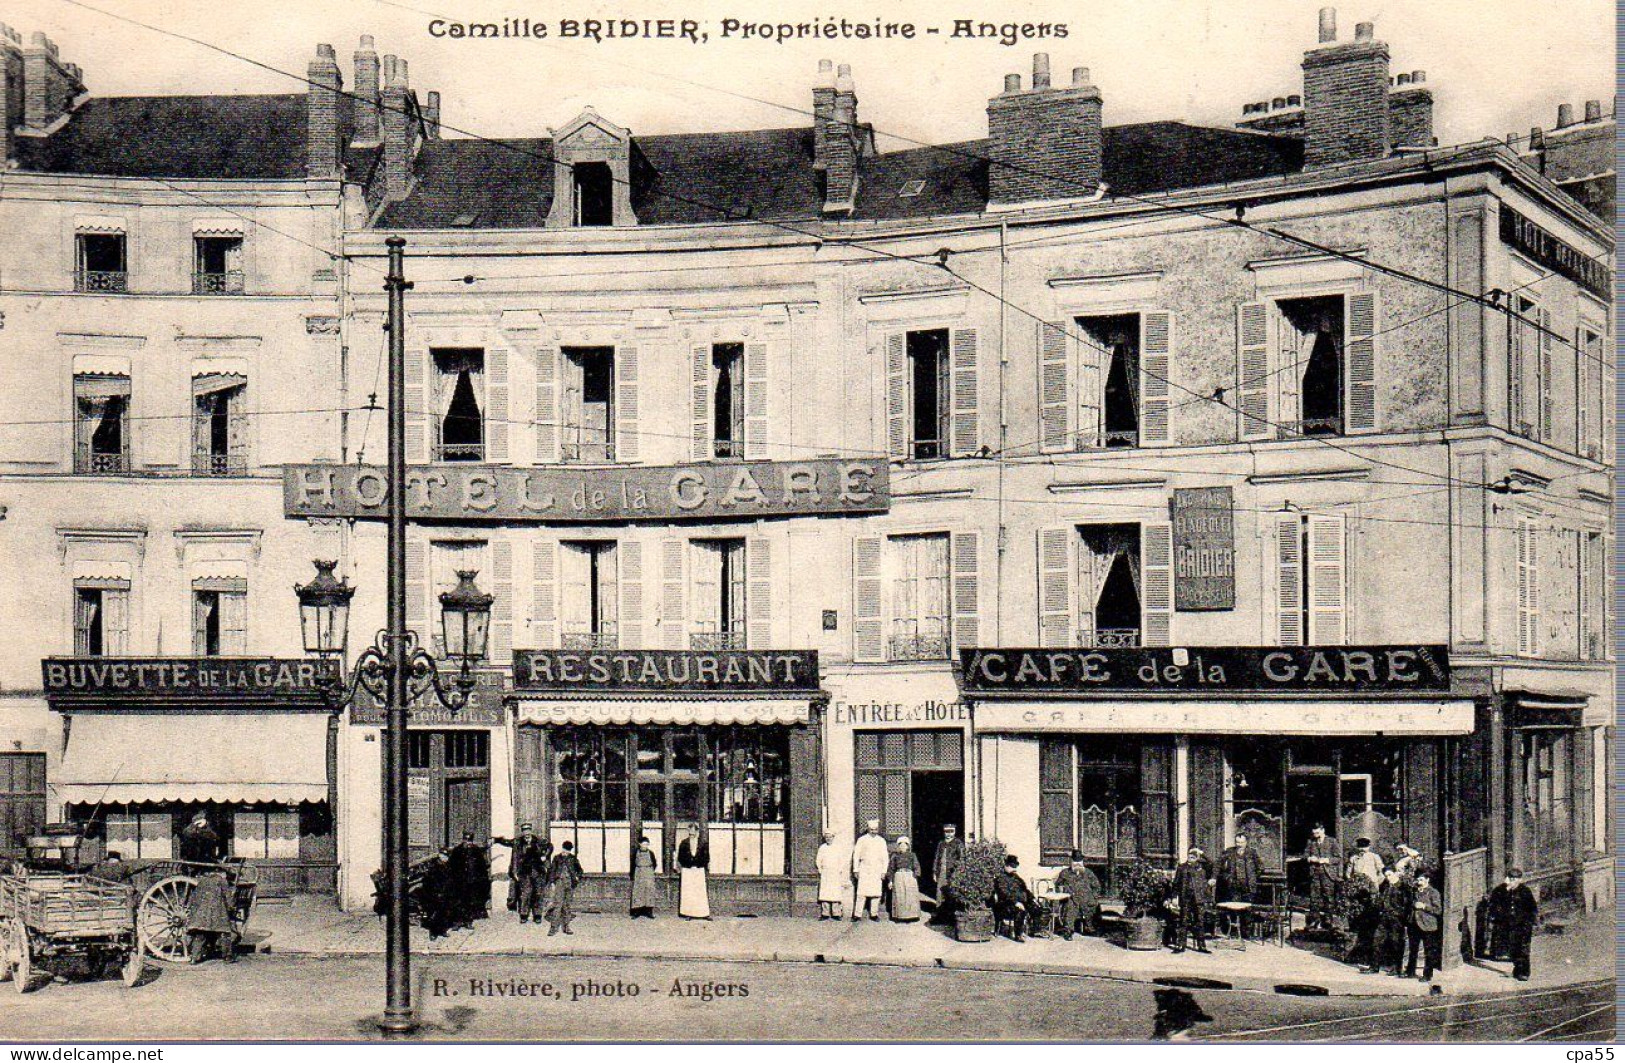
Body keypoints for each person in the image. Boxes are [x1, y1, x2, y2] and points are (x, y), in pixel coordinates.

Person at [492, 823, 552, 924]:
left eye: (528, 833)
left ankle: (537, 915)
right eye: (525, 833)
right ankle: (524, 915)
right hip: (524, 872)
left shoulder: (539, 841)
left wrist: (545, 855)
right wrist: (497, 840)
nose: (527, 835)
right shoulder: (517, 842)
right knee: (525, 894)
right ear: (522, 833)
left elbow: (550, 846)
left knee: (538, 893)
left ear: (531, 832)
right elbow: (506, 842)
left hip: (538, 871)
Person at [1487, 867, 1539, 981]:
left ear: (1520, 880)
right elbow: (1494, 904)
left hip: (1523, 926)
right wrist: (1506, 890)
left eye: (1515, 879)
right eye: (1510, 878)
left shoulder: (1525, 891)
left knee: (1524, 949)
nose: (1512, 881)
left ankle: (1524, 972)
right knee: (1513, 949)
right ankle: (1517, 969)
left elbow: (1532, 908)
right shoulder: (1501, 890)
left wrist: (1530, 922)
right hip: (1508, 926)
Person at [185, 866, 238, 964]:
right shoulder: (222, 881)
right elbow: (228, 897)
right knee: (225, 934)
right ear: (220, 872)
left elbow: (194, 897)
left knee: (200, 935)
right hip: (217, 913)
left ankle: (194, 958)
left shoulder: (202, 881)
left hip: (201, 914)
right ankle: (227, 956)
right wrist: (232, 908)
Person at [1170, 847, 1215, 954]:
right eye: (1190, 856)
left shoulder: (1202, 867)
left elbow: (1212, 864)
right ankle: (1181, 945)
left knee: (1199, 922)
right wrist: (1174, 897)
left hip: (1198, 898)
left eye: (1194, 856)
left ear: (1197, 858)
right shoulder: (1182, 868)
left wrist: (1202, 853)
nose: (1191, 858)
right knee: (1183, 921)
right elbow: (1176, 884)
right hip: (1185, 898)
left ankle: (1201, 946)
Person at [1404, 870, 1444, 982]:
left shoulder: (1433, 892)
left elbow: (1438, 910)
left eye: (1421, 879)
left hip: (1428, 925)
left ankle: (1427, 974)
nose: (1419, 882)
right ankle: (1410, 971)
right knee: (1413, 950)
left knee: (1429, 951)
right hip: (1414, 924)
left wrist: (1424, 906)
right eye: (1417, 880)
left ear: (1427, 880)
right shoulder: (1414, 891)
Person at [1054, 850, 1101, 939]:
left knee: (1092, 905)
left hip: (1086, 897)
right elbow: (1058, 885)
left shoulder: (1088, 873)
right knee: (1070, 906)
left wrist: (1094, 896)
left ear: (1082, 862)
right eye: (1075, 861)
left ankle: (1089, 928)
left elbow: (1097, 886)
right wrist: (1065, 891)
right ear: (1071, 861)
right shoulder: (1065, 873)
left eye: (1079, 861)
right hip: (1071, 897)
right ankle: (1068, 930)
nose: (1077, 864)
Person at [448, 832, 492, 927]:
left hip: (472, 881)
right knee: (458, 902)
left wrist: (482, 879)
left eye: (470, 841)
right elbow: (451, 866)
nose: (468, 843)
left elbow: (482, 866)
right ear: (463, 840)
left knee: (469, 902)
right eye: (466, 840)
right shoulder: (457, 851)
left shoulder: (476, 851)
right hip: (459, 881)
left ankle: (468, 921)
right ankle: (457, 922)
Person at [1304, 825, 1343, 932]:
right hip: (1314, 874)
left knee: (1328, 898)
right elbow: (1305, 855)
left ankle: (1328, 921)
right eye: (1313, 833)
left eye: (1317, 833)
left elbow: (1338, 858)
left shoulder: (1332, 841)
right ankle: (1314, 921)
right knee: (1314, 898)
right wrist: (1309, 858)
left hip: (1327, 874)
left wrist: (1326, 860)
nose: (1315, 835)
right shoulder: (1311, 842)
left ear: (1322, 830)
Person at [992, 854, 1037, 942]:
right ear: (1006, 866)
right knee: (1019, 910)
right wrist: (1015, 902)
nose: (1014, 869)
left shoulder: (1016, 877)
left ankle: (1033, 930)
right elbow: (1004, 894)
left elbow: (1024, 889)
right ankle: (1018, 935)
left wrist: (1032, 898)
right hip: (1004, 905)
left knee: (1036, 907)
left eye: (1015, 866)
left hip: (1018, 902)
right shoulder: (1000, 878)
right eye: (1012, 867)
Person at [851, 819, 889, 922]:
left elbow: (885, 857)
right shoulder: (862, 840)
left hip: (877, 869)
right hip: (864, 868)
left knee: (876, 893)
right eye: (871, 829)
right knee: (861, 893)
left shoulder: (881, 841)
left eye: (875, 829)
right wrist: (856, 869)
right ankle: (857, 914)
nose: (873, 831)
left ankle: (874, 914)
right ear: (868, 829)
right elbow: (856, 855)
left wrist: (883, 871)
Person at [545, 841, 584, 936]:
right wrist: (552, 883)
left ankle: (566, 927)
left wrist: (577, 877)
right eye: (564, 850)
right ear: (562, 848)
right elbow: (552, 871)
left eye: (567, 851)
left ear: (570, 851)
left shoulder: (573, 859)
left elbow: (580, 870)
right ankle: (553, 928)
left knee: (567, 906)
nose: (565, 852)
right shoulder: (557, 858)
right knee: (557, 906)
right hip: (559, 883)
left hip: (569, 883)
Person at [417, 850, 459, 939]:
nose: (446, 858)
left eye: (447, 856)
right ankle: (433, 933)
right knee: (434, 914)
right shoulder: (434, 867)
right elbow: (428, 882)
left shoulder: (448, 867)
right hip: (435, 894)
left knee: (444, 913)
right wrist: (434, 892)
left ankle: (442, 931)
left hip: (445, 893)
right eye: (444, 856)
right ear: (440, 856)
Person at [930, 823, 965, 924]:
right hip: (941, 871)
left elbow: (962, 858)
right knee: (940, 893)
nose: (948, 834)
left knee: (951, 893)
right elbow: (937, 858)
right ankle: (940, 915)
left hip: (953, 873)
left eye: (951, 832)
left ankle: (951, 916)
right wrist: (934, 872)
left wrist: (959, 872)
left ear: (954, 832)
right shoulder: (941, 843)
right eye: (946, 832)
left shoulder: (958, 843)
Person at [1215, 834, 1264, 904]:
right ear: (1235, 842)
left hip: (1248, 885)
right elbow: (1218, 863)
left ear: (1246, 842)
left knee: (1247, 907)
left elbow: (1261, 867)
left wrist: (1253, 876)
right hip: (1233, 884)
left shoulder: (1252, 852)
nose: (1240, 845)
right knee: (1234, 906)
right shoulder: (1229, 851)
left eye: (1242, 842)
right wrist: (1226, 876)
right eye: (1238, 842)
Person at [676, 824, 711, 920]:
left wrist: (699, 864)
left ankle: (703, 913)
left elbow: (706, 857)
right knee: (688, 892)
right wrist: (688, 864)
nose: (691, 834)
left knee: (700, 891)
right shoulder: (683, 843)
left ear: (697, 832)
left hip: (699, 870)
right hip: (687, 870)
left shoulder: (703, 843)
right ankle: (688, 913)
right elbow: (680, 857)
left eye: (693, 832)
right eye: (690, 832)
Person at [886, 836, 922, 922]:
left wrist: (916, 874)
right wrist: (890, 881)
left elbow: (917, 866)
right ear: (898, 846)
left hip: (910, 876)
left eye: (904, 845)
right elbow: (891, 869)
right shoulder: (894, 856)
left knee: (910, 896)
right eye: (900, 845)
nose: (902, 847)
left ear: (908, 846)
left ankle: (911, 916)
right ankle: (900, 916)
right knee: (900, 896)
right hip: (898, 877)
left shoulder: (912, 855)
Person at [815, 832, 845, 920]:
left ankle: (836, 913)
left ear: (833, 837)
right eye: (827, 837)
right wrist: (821, 870)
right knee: (825, 893)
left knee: (835, 892)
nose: (828, 839)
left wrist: (839, 870)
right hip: (825, 873)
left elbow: (842, 860)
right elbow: (818, 860)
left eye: (830, 837)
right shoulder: (822, 848)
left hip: (835, 873)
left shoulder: (838, 848)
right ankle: (825, 913)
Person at [629, 835, 659, 918]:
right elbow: (632, 864)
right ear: (640, 844)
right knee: (638, 892)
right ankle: (636, 912)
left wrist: (649, 871)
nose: (645, 846)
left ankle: (649, 912)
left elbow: (655, 864)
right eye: (643, 844)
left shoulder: (651, 853)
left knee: (649, 891)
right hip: (639, 873)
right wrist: (632, 875)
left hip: (648, 873)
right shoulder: (636, 853)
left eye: (646, 844)